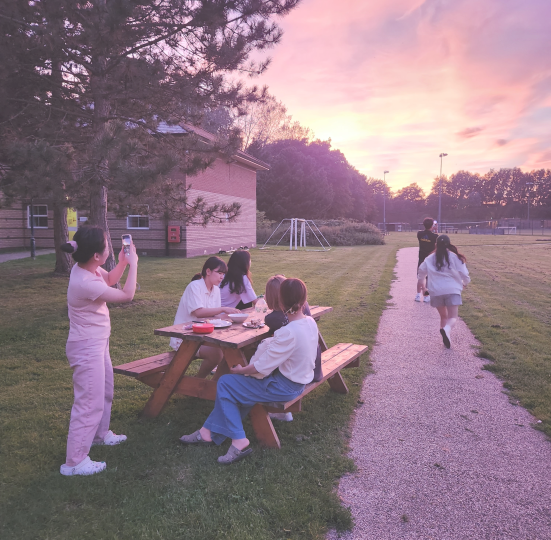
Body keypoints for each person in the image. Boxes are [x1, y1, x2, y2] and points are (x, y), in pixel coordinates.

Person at [179, 278, 319, 464]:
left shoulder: (288, 331)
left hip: (285, 387)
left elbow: (261, 367)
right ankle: (207, 432)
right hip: (297, 381)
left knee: (226, 383)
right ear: (304, 300)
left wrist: (240, 370)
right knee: (239, 389)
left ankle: (239, 440)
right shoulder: (309, 322)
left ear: (281, 302)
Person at [59, 226, 138, 476]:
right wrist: (134, 264)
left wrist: (122, 262)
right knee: (88, 403)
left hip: (96, 342)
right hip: (86, 347)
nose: (110, 248)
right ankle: (74, 462)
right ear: (96, 255)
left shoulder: (87, 268)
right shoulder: (85, 281)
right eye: (107, 245)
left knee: (104, 391)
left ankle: (99, 435)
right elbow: (126, 294)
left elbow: (110, 280)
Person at [264, 274, 322, 422]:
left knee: (264, 353)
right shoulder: (304, 311)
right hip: (313, 365)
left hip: (296, 376)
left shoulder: (272, 319)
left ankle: (279, 410)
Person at [171, 257, 240, 378]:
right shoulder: (194, 286)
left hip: (204, 334)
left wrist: (231, 316)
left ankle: (214, 383)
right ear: (208, 271)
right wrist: (223, 309)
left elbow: (214, 315)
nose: (222, 277)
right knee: (218, 354)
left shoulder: (216, 290)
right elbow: (199, 312)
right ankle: (198, 381)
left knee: (231, 350)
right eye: (219, 273)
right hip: (186, 337)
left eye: (223, 274)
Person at [417, 235, 470, 349]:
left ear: (436, 244)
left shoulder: (429, 258)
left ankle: (446, 339)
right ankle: (446, 330)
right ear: (449, 244)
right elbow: (464, 274)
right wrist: (465, 283)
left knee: (443, 317)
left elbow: (421, 273)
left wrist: (423, 287)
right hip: (452, 290)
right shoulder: (454, 257)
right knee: (453, 318)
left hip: (436, 291)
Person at [416, 217, 439, 303]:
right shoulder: (435, 236)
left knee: (420, 278)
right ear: (432, 226)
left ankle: (418, 295)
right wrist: (436, 230)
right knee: (429, 278)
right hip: (430, 260)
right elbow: (436, 244)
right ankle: (426, 296)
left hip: (421, 259)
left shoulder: (419, 234)